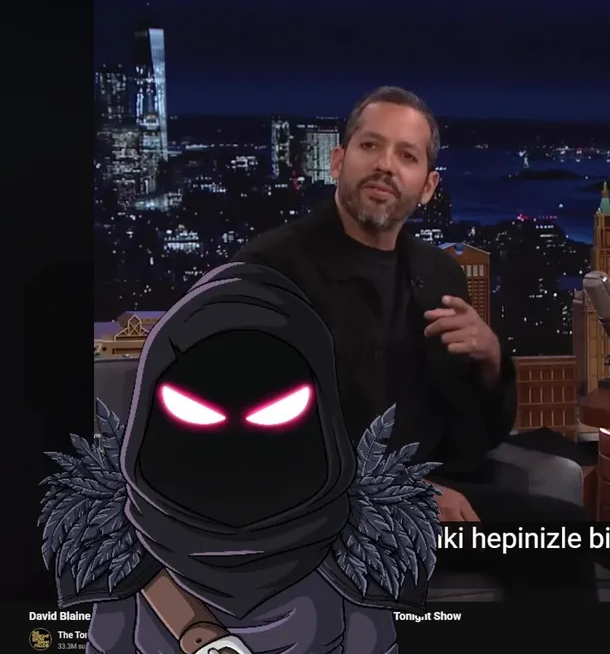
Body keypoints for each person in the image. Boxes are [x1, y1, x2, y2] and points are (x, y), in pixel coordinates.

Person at [234, 86, 596, 601]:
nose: (386, 165)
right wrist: (400, 495)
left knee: (562, 538)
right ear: (337, 161)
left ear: (427, 187)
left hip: (431, 494)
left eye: (406, 156)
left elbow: (473, 436)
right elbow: (253, 432)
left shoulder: (439, 273)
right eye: (370, 146)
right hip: (317, 506)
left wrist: (490, 362)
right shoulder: (272, 269)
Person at [40, 263, 442, 653]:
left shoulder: (358, 566)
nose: (236, 451)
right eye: (194, 412)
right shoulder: (123, 564)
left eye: (277, 412)